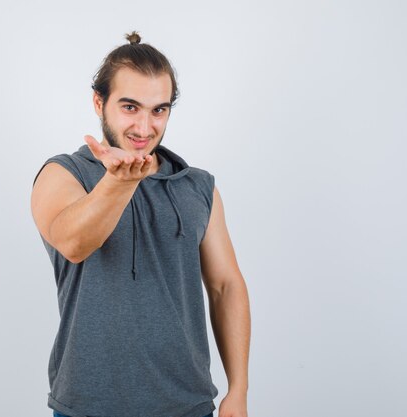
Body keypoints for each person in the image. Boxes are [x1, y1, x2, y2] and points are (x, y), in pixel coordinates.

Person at [30, 31, 250, 417]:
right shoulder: (63, 173)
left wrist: (239, 390)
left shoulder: (198, 186)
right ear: (99, 102)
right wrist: (118, 182)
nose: (145, 127)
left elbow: (225, 286)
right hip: (86, 406)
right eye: (130, 107)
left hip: (188, 404)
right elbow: (74, 242)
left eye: (158, 110)